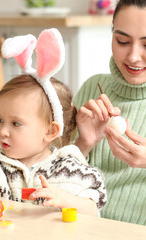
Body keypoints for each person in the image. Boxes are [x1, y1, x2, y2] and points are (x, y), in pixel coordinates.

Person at [0, 29, 107, 216]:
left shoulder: (71, 170)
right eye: (0, 120)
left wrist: (67, 200)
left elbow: (93, 211)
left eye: (16, 124)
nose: (2, 131)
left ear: (50, 131)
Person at [74, 0, 146, 225]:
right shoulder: (92, 88)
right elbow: (51, 178)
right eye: (122, 41)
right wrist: (83, 144)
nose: (133, 56)